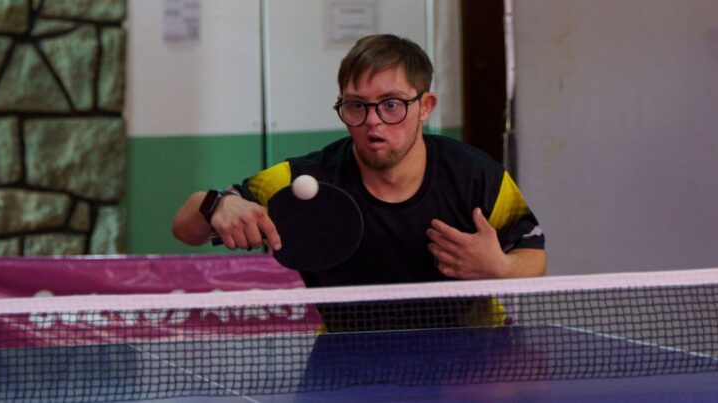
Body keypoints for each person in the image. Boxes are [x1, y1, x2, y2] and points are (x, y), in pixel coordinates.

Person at [173, 34, 546, 291]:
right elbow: (186, 228)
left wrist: (500, 268)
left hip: (469, 350)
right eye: (356, 105)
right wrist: (219, 203)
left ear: (425, 107)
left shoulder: (476, 176)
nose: (373, 121)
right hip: (345, 350)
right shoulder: (304, 179)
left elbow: (533, 255)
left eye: (391, 104)